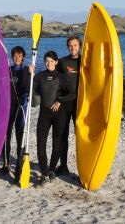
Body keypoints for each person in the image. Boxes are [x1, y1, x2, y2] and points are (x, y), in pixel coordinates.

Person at [34, 50, 76, 185]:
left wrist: (59, 101)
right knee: (41, 143)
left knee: (57, 144)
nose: (49, 63)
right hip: (44, 114)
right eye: (47, 61)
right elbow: (32, 91)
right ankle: (44, 173)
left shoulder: (61, 77)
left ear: (56, 62)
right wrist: (30, 74)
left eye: (51, 61)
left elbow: (72, 94)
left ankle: (52, 169)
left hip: (59, 114)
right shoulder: (39, 76)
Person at [0, 46, 31, 178]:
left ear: (23, 57)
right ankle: (6, 164)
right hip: (8, 108)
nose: (17, 58)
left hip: (21, 107)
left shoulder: (26, 70)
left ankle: (19, 165)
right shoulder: (8, 70)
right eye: (15, 56)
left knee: (20, 137)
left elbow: (31, 87)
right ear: (12, 57)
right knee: (6, 136)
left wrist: (32, 72)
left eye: (19, 56)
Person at [55, 36, 81, 175]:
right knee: (62, 134)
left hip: (80, 104)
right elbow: (52, 76)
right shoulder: (62, 62)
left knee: (81, 135)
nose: (73, 48)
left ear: (80, 46)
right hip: (65, 103)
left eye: (75, 45)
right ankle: (63, 164)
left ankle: (83, 167)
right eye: (70, 45)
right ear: (67, 47)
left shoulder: (85, 61)